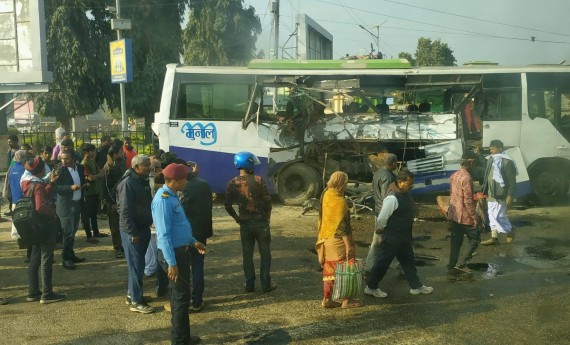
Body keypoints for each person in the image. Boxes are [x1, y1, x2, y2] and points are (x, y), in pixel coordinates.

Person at [153, 163, 206, 345]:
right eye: (185, 178)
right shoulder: (163, 200)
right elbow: (164, 234)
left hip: (180, 251)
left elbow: (179, 226)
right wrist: (172, 263)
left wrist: (192, 241)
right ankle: (179, 340)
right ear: (174, 180)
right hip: (173, 255)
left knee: (181, 296)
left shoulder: (172, 195)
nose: (187, 181)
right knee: (181, 298)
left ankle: (182, 337)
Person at [365, 170, 434, 298]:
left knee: (408, 261)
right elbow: (382, 218)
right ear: (400, 182)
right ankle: (371, 287)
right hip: (393, 236)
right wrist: (381, 228)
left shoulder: (405, 194)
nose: (411, 186)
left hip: (404, 236)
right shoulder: (392, 198)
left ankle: (416, 286)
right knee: (383, 263)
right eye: (409, 183)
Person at [224, 151, 276, 293]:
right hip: (261, 224)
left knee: (247, 255)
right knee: (265, 255)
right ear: (250, 164)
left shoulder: (232, 183)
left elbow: (227, 205)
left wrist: (237, 218)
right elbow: (268, 203)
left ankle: (249, 285)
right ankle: (266, 284)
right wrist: (267, 219)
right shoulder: (259, 180)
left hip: (245, 225)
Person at [21, 157, 66, 304]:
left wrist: (51, 182)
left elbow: (38, 196)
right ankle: (47, 293)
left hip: (32, 225)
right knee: (46, 258)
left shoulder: (27, 182)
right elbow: (40, 206)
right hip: (43, 226)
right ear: (41, 170)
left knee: (35, 257)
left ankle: (32, 292)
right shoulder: (38, 185)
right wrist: (54, 212)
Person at [315, 171, 361, 309]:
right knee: (345, 269)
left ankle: (327, 299)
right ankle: (347, 300)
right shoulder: (340, 203)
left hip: (326, 238)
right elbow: (343, 228)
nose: (347, 185)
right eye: (345, 182)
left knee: (330, 270)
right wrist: (349, 247)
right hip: (338, 242)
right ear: (341, 183)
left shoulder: (326, 194)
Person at [116, 154, 154, 313]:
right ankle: (136, 302)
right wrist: (133, 233)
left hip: (142, 228)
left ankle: (133, 294)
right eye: (146, 165)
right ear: (136, 167)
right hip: (133, 232)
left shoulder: (141, 181)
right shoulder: (128, 183)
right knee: (136, 266)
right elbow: (125, 212)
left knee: (137, 265)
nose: (149, 167)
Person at [179, 161, 213, 312]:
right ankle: (197, 301)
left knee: (184, 267)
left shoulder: (181, 187)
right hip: (201, 232)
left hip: (186, 233)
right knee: (198, 266)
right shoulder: (204, 184)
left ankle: (184, 300)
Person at [446, 151, 480, 274]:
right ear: (471, 162)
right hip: (465, 216)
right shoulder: (467, 177)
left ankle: (452, 264)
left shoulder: (454, 175)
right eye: (474, 163)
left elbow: (453, 195)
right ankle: (461, 264)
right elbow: (468, 200)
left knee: (456, 241)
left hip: (454, 214)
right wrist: (474, 217)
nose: (475, 166)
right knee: (475, 238)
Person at [365, 153, 398, 274]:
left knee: (381, 242)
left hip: (378, 210)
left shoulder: (378, 173)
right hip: (385, 213)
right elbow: (387, 197)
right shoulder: (388, 176)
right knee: (382, 242)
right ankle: (370, 268)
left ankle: (397, 266)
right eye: (396, 164)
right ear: (393, 164)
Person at [54, 149, 86, 270]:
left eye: (66, 158)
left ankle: (70, 254)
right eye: (62, 158)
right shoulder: (60, 170)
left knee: (72, 232)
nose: (64, 161)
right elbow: (56, 188)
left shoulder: (79, 168)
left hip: (77, 204)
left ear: (73, 158)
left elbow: (81, 181)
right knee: (67, 233)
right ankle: (66, 258)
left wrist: (85, 184)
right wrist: (70, 188)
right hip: (66, 206)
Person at [481, 139, 517, 245]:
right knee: (491, 215)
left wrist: (510, 195)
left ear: (500, 149)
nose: (491, 151)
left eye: (493, 149)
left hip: (502, 195)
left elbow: (512, 181)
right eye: (490, 149)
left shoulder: (507, 162)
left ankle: (510, 230)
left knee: (499, 216)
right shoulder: (491, 160)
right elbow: (486, 174)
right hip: (491, 194)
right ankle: (494, 238)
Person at [102, 144, 126, 259]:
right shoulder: (108, 168)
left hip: (122, 200)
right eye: (121, 152)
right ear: (115, 154)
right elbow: (105, 188)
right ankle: (117, 248)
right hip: (114, 203)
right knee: (115, 226)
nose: (123, 154)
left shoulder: (120, 165)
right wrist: (112, 203)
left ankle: (123, 246)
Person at [81, 143, 107, 243]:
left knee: (93, 214)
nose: (94, 152)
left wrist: (97, 175)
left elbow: (98, 173)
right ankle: (89, 235)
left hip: (95, 191)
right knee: (87, 215)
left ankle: (96, 232)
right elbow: (91, 177)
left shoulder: (91, 161)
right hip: (89, 193)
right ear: (86, 152)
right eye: (92, 151)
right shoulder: (85, 163)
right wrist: (98, 175)